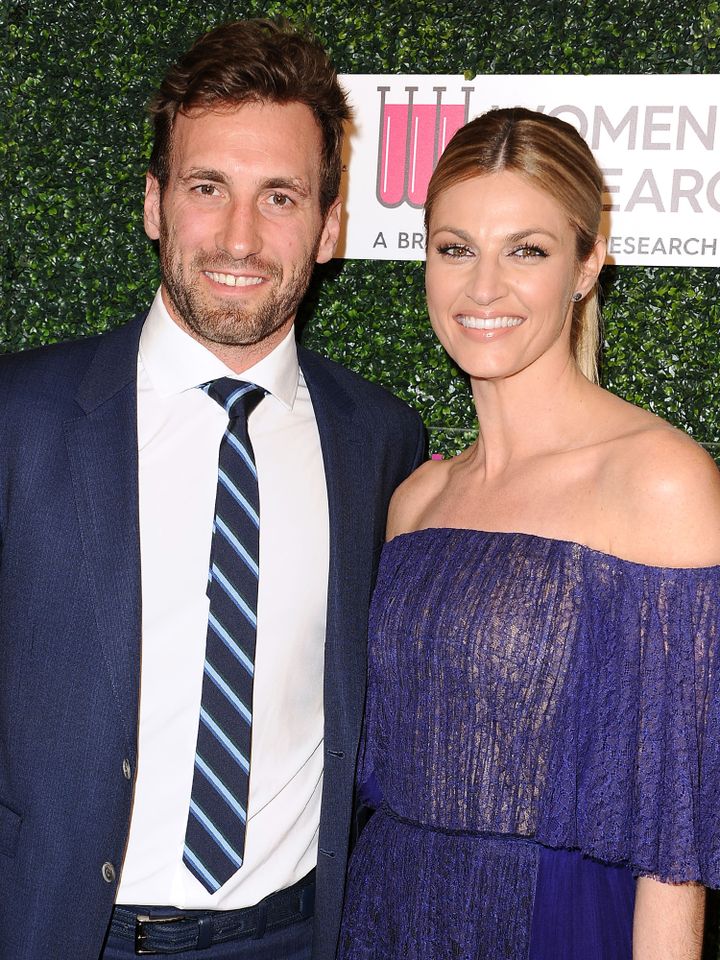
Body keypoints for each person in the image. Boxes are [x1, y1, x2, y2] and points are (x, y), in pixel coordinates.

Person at [0, 19, 425, 960]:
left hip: (294, 936)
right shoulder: (16, 421)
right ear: (155, 204)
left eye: (280, 196)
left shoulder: (383, 441)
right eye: (207, 188)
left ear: (330, 225)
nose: (240, 236)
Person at [337, 107, 720, 959]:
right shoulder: (418, 501)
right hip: (389, 914)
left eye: (528, 250)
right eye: (455, 247)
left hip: (557, 923)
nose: (483, 288)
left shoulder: (660, 482)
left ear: (588, 264)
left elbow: (673, 847)